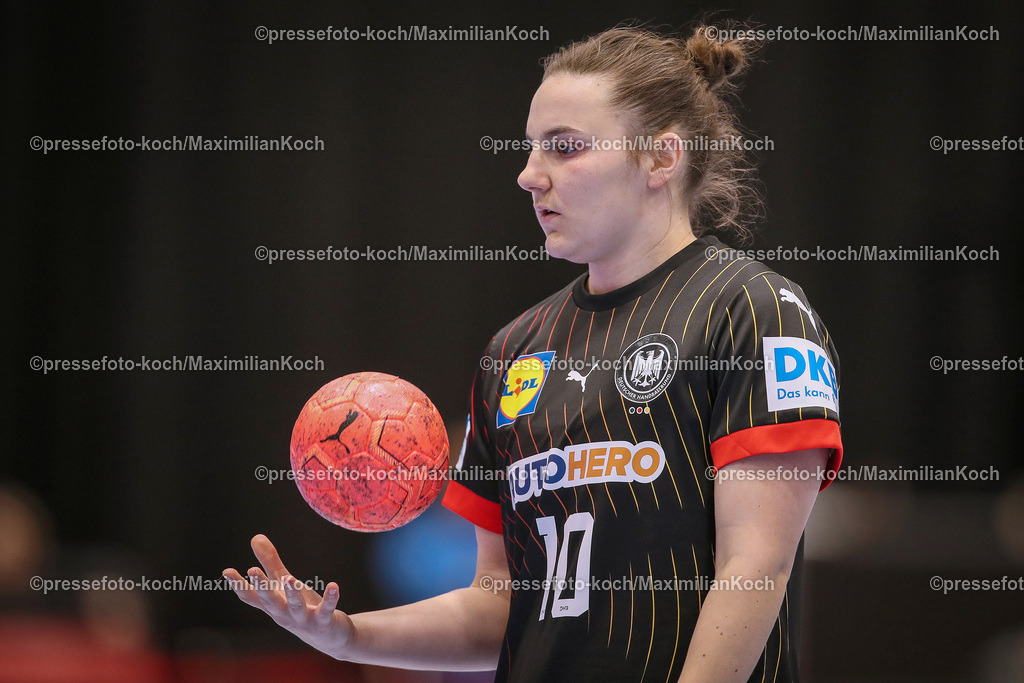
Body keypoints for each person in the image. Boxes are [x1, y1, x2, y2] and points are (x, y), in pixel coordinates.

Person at [225, 24, 843, 682]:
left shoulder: (753, 310)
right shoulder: (514, 351)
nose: (528, 176)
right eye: (530, 150)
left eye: (565, 148)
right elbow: (497, 605)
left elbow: (755, 568)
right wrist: (347, 635)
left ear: (661, 158)